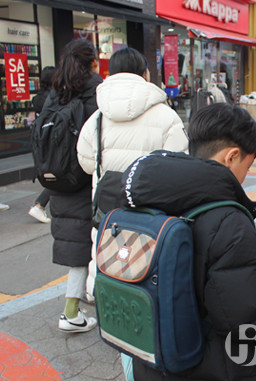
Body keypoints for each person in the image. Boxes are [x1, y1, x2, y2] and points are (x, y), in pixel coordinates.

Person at [128, 103, 256, 380]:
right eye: (248, 165)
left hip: (154, 359)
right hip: (212, 368)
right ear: (232, 156)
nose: (246, 176)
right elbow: (246, 326)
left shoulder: (152, 197)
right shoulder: (228, 222)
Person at [77, 46, 189, 303]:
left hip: (108, 211)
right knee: (147, 273)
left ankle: (110, 311)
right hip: (151, 213)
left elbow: (85, 162)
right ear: (145, 75)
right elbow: (179, 167)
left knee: (108, 262)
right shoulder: (166, 116)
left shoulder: (97, 118)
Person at [44, 39, 102, 333]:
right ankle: (70, 313)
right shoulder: (96, 90)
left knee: (77, 246)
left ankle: (80, 302)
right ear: (93, 62)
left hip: (58, 178)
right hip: (87, 179)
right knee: (91, 247)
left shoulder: (56, 91)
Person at [28, 66, 57, 224]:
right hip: (52, 140)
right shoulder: (52, 97)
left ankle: (40, 205)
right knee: (58, 174)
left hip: (39, 141)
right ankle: (39, 205)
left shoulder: (37, 97)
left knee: (53, 174)